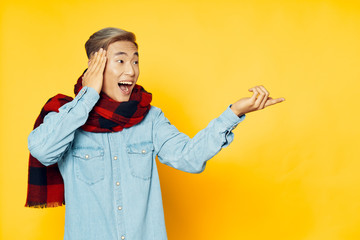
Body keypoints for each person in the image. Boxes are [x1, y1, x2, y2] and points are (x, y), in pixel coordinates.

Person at [26, 27, 285, 240]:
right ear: (95, 65)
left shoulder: (150, 118)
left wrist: (234, 113)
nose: (131, 70)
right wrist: (88, 94)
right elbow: (42, 150)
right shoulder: (66, 116)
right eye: (120, 61)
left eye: (136, 61)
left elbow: (189, 158)